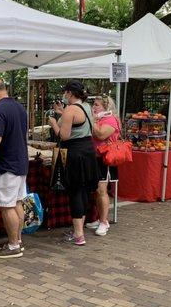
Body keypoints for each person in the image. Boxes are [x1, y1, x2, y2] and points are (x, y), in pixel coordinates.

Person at [48, 80, 99, 246]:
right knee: (83, 190)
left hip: (74, 153)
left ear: (69, 93)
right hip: (88, 150)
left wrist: (54, 123)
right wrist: (61, 113)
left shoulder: (70, 110)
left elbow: (64, 136)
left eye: (65, 92)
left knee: (75, 191)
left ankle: (78, 235)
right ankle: (80, 230)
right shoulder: (86, 107)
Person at [0, 79, 28, 259]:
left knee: (6, 206)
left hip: (5, 166)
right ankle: (17, 240)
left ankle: (12, 246)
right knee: (17, 202)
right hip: (20, 162)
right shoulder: (19, 107)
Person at [86, 95, 121, 236]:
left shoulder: (110, 120)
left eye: (96, 105)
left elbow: (100, 134)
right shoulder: (99, 119)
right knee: (96, 190)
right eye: (93, 105)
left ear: (106, 108)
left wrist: (93, 120)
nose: (93, 108)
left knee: (102, 190)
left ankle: (104, 221)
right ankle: (99, 218)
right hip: (94, 156)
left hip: (105, 158)